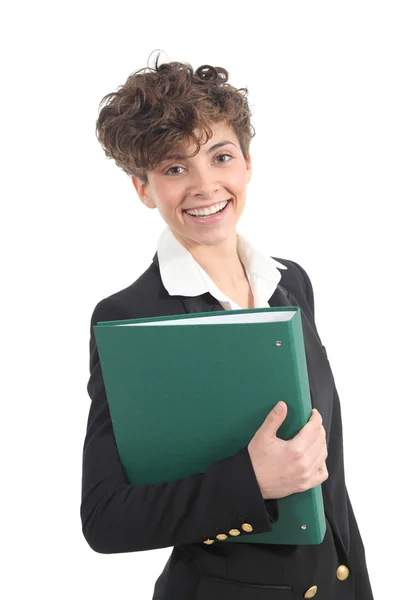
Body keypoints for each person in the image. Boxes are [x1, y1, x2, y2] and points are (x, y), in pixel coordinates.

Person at [81, 53, 374, 600]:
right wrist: (252, 482)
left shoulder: (293, 284)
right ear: (143, 188)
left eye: (221, 157)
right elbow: (105, 517)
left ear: (246, 163)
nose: (204, 185)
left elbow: (330, 486)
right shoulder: (130, 317)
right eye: (173, 168)